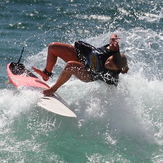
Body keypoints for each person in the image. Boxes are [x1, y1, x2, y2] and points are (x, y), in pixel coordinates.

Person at [32, 33, 129, 96]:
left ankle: (53, 89)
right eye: (108, 60)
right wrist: (113, 37)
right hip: (85, 58)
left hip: (89, 74)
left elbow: (113, 93)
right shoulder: (114, 51)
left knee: (70, 66)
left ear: (116, 69)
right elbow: (113, 35)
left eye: (111, 65)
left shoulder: (113, 77)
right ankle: (46, 73)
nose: (107, 63)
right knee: (53, 47)